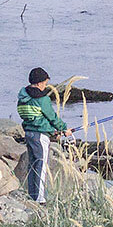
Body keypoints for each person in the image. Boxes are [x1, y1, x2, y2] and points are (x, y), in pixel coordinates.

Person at [16, 67, 72, 203]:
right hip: (40, 137)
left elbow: (33, 118)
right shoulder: (42, 99)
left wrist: (52, 131)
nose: (45, 86)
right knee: (41, 166)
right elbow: (52, 117)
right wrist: (63, 129)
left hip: (28, 134)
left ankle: (32, 195)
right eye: (45, 83)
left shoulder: (22, 99)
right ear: (40, 83)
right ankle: (40, 199)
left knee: (33, 165)